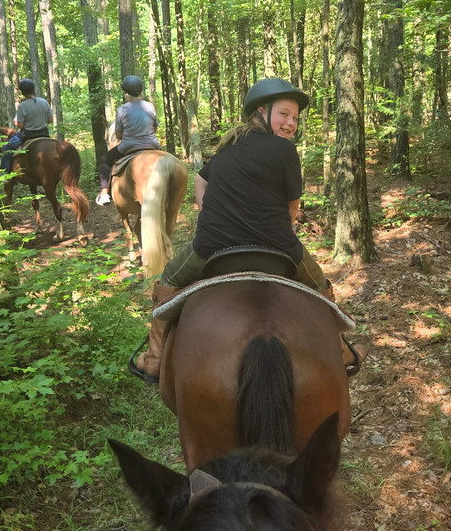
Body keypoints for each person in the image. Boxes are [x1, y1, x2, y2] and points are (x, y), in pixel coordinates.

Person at [129, 76, 339, 384]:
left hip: (212, 248)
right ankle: (342, 350)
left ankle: (154, 358)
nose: (291, 123)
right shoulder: (285, 151)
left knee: (168, 281)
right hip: (278, 249)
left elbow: (201, 180)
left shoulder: (228, 149)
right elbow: (292, 208)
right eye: (284, 114)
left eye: (294, 117)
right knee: (321, 287)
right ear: (261, 112)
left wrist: (210, 212)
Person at [96, 75, 161, 206]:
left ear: (126, 93)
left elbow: (118, 135)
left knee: (104, 161)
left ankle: (104, 193)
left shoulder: (122, 110)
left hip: (129, 146)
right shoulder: (150, 106)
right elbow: (154, 129)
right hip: (153, 145)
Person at [0, 78, 53, 174]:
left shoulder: (23, 106)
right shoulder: (44, 102)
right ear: (33, 89)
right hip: (44, 133)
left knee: (7, 149)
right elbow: (50, 119)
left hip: (28, 135)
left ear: (22, 92)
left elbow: (20, 125)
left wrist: (16, 122)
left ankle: (4, 175)